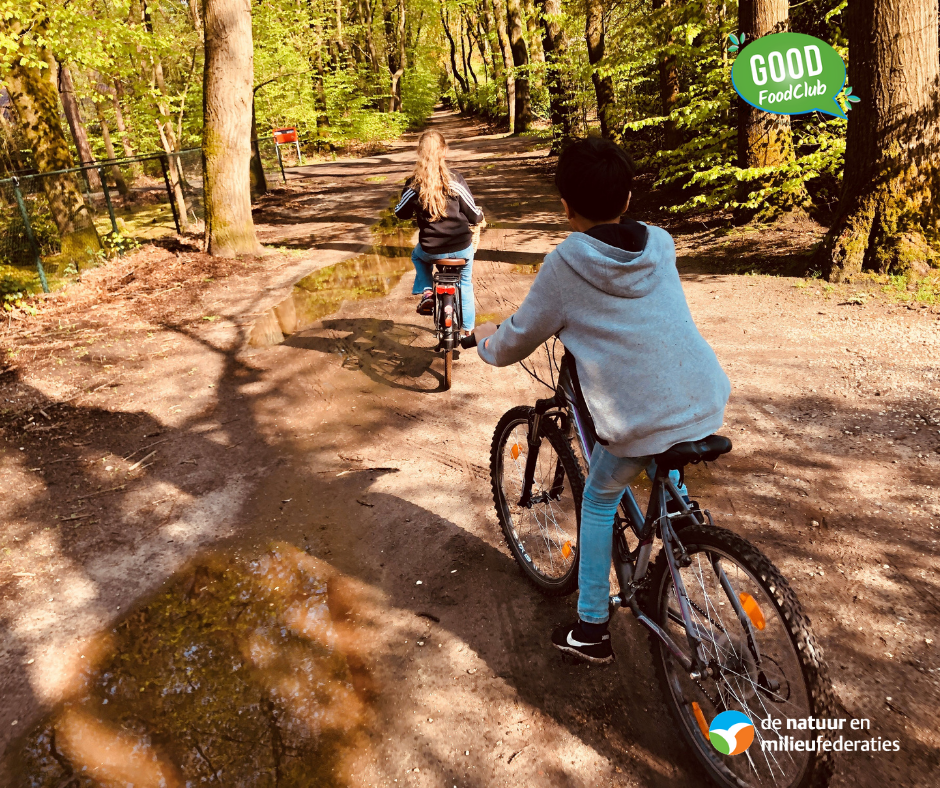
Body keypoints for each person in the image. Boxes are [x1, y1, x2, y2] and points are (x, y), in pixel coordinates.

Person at [473, 137, 731, 664]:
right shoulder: (660, 242)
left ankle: (592, 628)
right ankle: (676, 522)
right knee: (663, 436)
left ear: (564, 204)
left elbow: (516, 339)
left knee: (598, 496)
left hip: (639, 422)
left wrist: (483, 338)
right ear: (628, 196)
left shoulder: (567, 263)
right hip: (703, 398)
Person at [394, 130, 484, 334]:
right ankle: (469, 330)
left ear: (419, 152)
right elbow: (474, 215)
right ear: (444, 152)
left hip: (431, 250)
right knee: (465, 283)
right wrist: (479, 215)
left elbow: (400, 212)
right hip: (461, 248)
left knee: (417, 256)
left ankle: (427, 292)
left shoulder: (414, 184)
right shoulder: (455, 181)